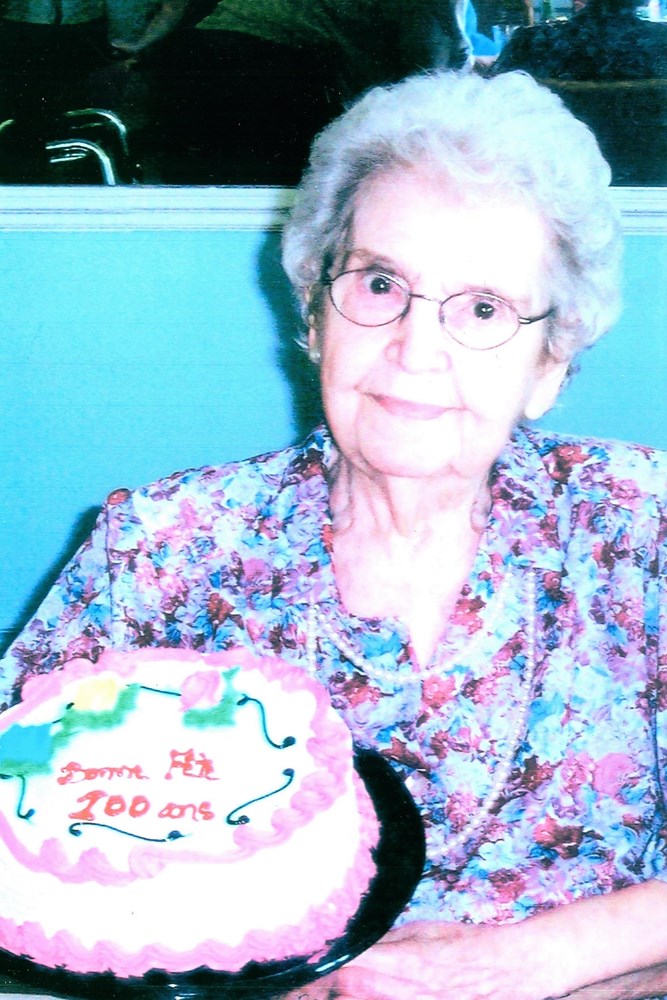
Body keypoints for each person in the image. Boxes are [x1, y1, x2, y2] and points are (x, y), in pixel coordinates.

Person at [1, 70, 666, 1000]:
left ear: (550, 364)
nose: (415, 346)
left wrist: (535, 964)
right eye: (380, 283)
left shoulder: (642, 525)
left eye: (482, 309)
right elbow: (17, 812)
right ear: (314, 315)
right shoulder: (157, 547)